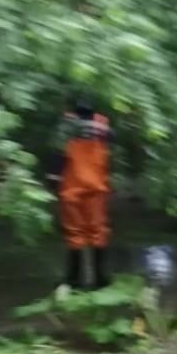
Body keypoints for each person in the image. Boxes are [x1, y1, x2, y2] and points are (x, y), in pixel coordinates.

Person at [57, 100, 113, 289]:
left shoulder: (67, 126)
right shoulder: (103, 126)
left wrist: (52, 180)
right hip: (96, 188)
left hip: (71, 189)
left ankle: (73, 280)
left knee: (74, 234)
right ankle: (100, 279)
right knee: (97, 233)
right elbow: (109, 150)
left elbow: (58, 155)